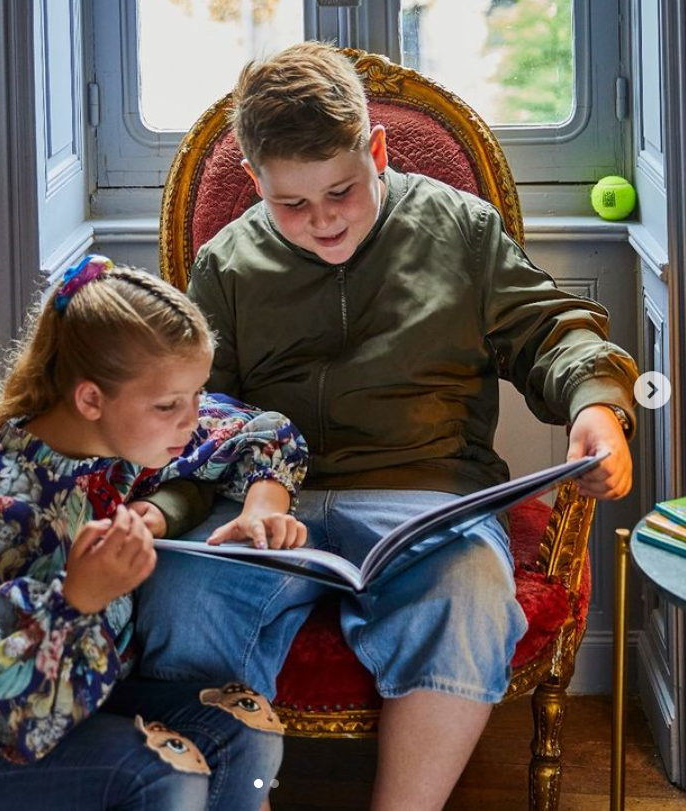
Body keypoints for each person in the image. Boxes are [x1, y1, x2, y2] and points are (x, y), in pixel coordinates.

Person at [134, 42, 640, 811]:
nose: (322, 221)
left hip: (430, 500)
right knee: (178, 597)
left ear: (376, 149)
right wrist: (172, 512)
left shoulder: (460, 229)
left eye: (342, 190)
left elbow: (554, 333)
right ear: (254, 181)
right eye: (291, 204)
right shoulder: (225, 264)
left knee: (467, 597)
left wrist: (596, 404)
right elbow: (194, 419)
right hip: (271, 508)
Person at [0, 255, 309, 811]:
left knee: (244, 724)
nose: (191, 419)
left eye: (197, 394)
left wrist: (263, 500)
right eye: (170, 404)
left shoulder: (114, 444)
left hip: (73, 704)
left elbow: (261, 428)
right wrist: (77, 600)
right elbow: (7, 721)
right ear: (91, 398)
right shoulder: (7, 514)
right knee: (165, 772)